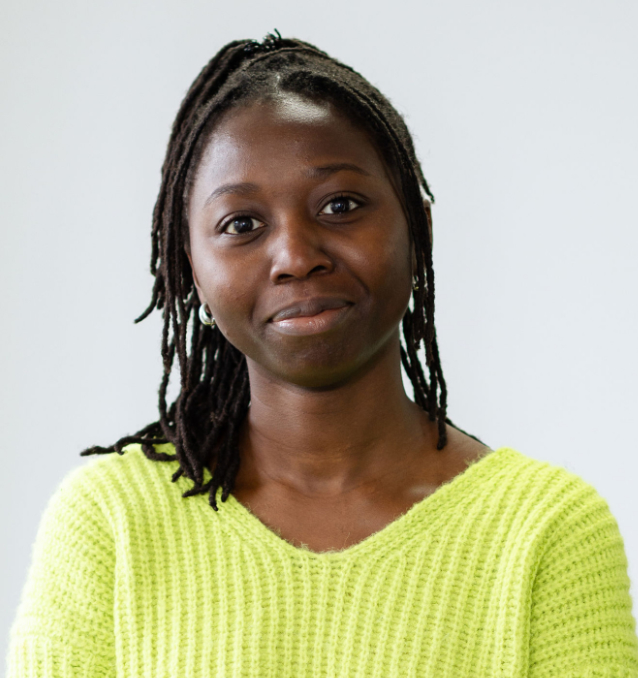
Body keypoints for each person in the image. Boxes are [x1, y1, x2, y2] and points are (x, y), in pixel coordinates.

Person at [6, 31, 638, 677]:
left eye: (340, 205)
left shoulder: (546, 529)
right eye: (242, 224)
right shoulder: (110, 523)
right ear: (190, 266)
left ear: (417, 230)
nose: (295, 256)